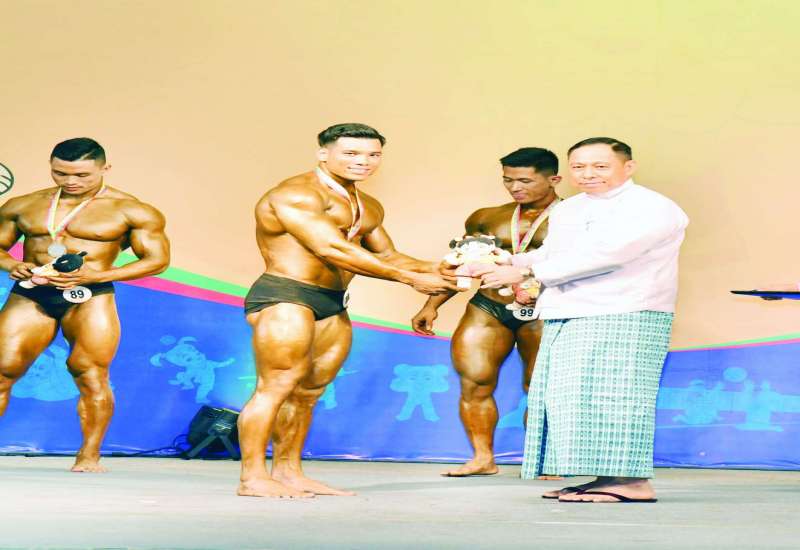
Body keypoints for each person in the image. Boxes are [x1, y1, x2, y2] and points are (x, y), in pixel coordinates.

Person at [238, 123, 461, 499]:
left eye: (373, 155)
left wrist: (439, 268)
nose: (364, 161)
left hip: (332, 302)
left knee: (308, 393)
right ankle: (252, 478)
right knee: (275, 387)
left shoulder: (367, 205)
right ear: (323, 154)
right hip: (287, 295)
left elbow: (388, 255)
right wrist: (409, 279)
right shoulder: (295, 194)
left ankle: (289, 473)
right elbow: (331, 248)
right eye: (352, 153)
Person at [474, 137, 688, 503]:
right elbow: (553, 253)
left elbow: (608, 255)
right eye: (579, 167)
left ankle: (632, 482)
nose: (588, 174)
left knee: (618, 397)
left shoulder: (652, 206)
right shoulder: (570, 208)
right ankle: (604, 477)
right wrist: (508, 261)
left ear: (628, 167)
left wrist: (527, 274)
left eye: (600, 166)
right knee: (575, 399)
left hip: (626, 311)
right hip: (570, 310)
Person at [0, 137, 170, 472]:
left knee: (91, 374)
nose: (71, 181)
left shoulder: (131, 210)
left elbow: (157, 260)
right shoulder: (24, 205)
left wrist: (99, 274)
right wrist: (12, 265)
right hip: (31, 291)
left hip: (90, 295)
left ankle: (89, 455)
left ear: (105, 168)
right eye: (60, 173)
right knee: (2, 369)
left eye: (82, 175)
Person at [411, 147, 561, 476]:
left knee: (542, 388)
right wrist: (432, 304)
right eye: (508, 180)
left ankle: (546, 459)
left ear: (554, 180)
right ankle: (482, 458)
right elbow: (465, 265)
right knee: (475, 381)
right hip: (489, 306)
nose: (515, 187)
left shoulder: (573, 218)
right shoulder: (486, 217)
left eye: (525, 181)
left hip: (544, 308)